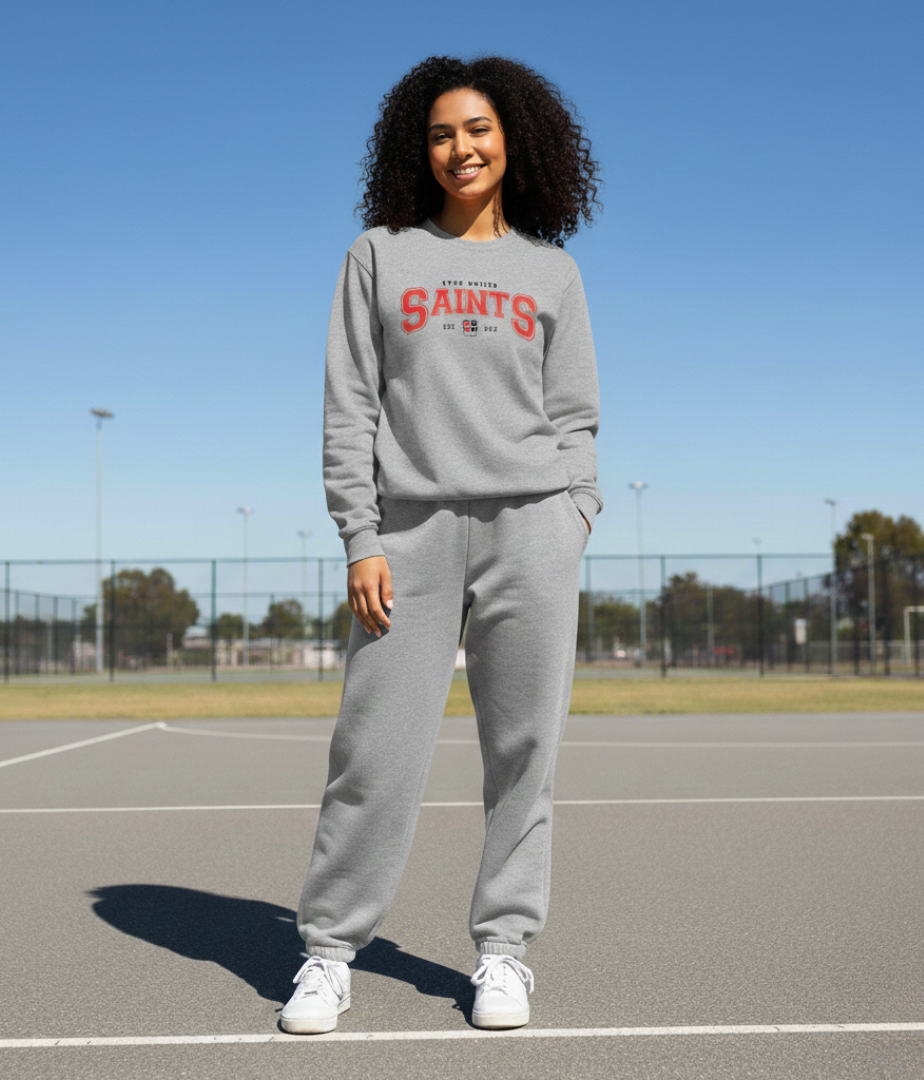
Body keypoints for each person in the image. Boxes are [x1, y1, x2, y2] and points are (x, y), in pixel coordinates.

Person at [280, 55, 602, 1035]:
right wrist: (360, 536)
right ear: (415, 151)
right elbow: (351, 409)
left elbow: (577, 413)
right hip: (408, 541)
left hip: (531, 531)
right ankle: (329, 954)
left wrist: (571, 514)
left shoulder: (552, 271)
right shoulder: (378, 256)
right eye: (440, 134)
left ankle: (503, 952)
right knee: (373, 756)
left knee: (525, 755)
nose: (461, 148)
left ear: (515, 141)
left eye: (478, 130)